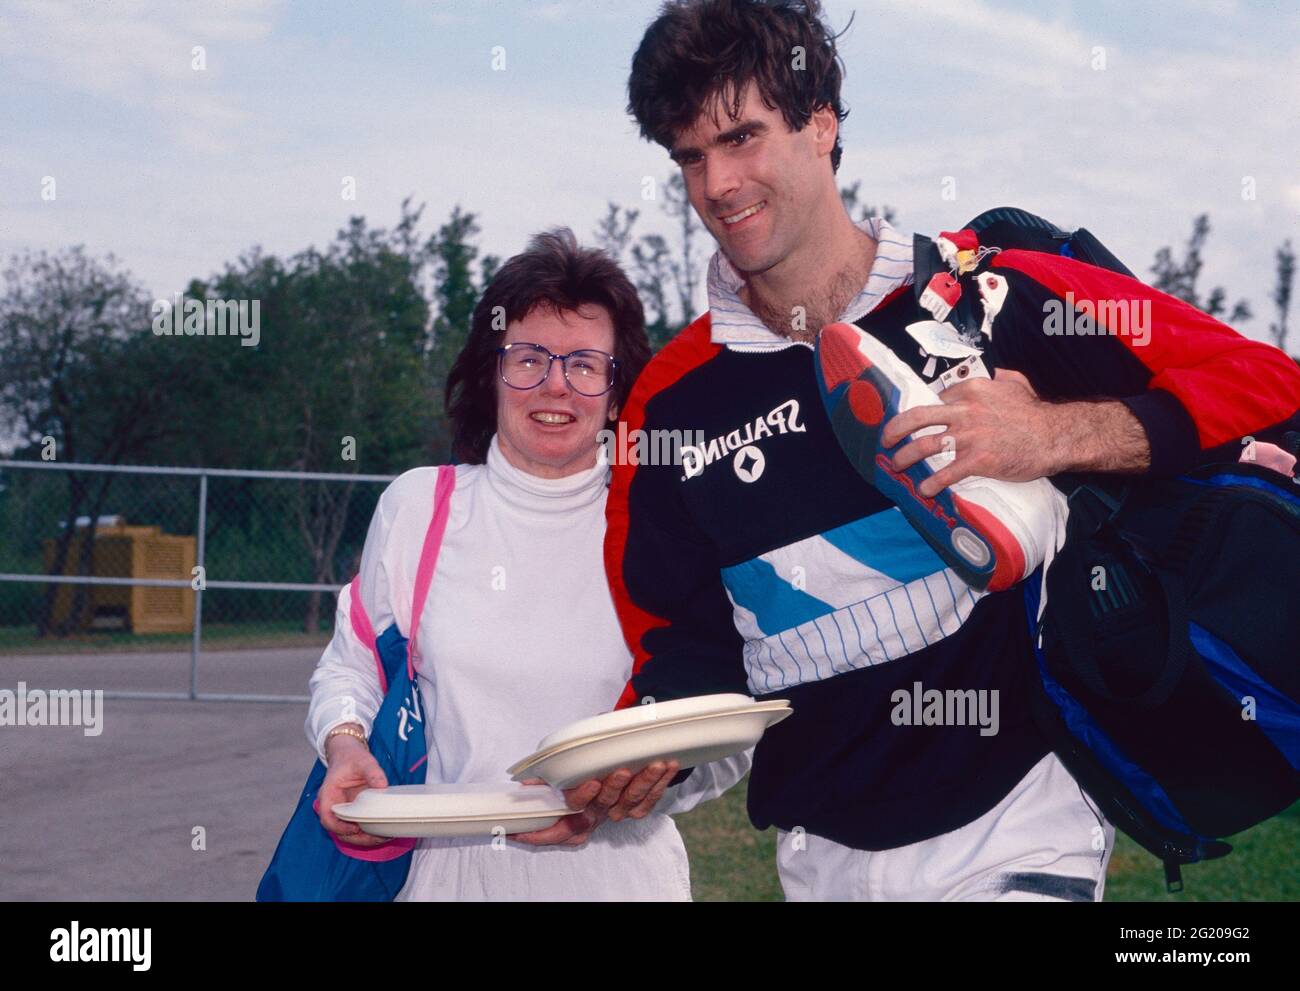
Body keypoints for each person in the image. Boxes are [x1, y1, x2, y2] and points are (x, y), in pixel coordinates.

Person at [602, 0, 1300, 900]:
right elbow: (687, 650)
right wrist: (633, 766)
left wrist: (1052, 433)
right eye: (690, 157)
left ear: (822, 124)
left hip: (1019, 828)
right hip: (818, 858)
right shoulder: (670, 402)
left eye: (742, 138)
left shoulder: (995, 293)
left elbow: (1266, 384)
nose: (717, 184)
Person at [306, 227, 747, 901]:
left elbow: (725, 729)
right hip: (445, 880)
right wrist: (344, 741)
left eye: (584, 364)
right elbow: (353, 660)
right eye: (528, 357)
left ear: (617, 387)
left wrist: (626, 796)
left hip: (620, 879)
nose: (555, 385)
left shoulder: (670, 525)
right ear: (491, 370)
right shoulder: (419, 507)